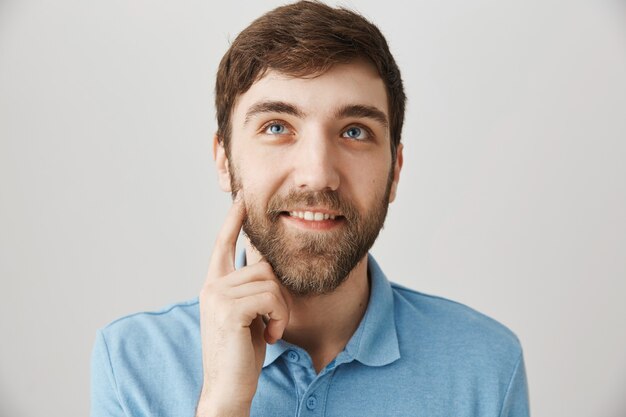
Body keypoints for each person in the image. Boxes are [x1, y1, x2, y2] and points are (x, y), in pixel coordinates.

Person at [90, 1, 530, 416]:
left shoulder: (487, 365)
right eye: (277, 127)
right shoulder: (131, 361)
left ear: (395, 171)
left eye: (355, 132)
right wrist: (222, 403)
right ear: (224, 160)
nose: (318, 174)